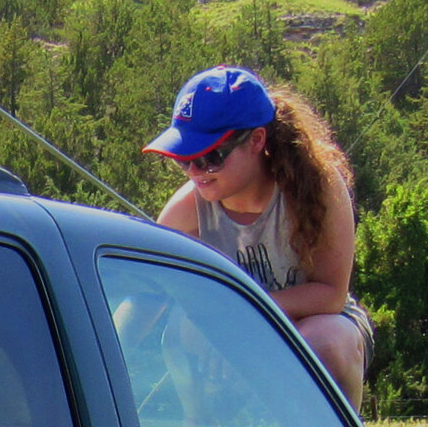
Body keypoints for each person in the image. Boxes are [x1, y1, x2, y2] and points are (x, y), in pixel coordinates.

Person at [152, 64, 369, 401]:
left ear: (256, 140)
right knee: (185, 330)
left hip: (313, 324)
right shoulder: (184, 212)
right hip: (233, 330)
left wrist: (244, 318)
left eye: (210, 156)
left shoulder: (317, 187)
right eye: (183, 159)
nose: (196, 172)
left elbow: (330, 295)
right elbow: (151, 294)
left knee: (324, 341)